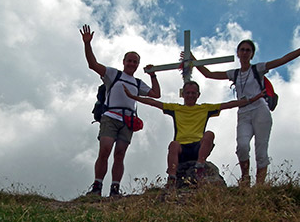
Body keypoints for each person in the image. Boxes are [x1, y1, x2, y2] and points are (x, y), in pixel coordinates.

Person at [192, 38, 300, 185]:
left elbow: (284, 59)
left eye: (248, 50)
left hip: (260, 110)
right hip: (243, 112)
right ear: (238, 53)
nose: (245, 53)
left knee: (261, 151)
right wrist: (191, 58)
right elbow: (208, 74)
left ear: (252, 54)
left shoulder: (258, 68)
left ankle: (260, 185)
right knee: (242, 147)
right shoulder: (235, 74)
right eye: (242, 50)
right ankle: (245, 178)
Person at [123, 80, 265, 188]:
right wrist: (133, 96)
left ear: (198, 95)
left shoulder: (205, 108)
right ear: (183, 94)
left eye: (193, 93)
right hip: (181, 149)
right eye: (188, 93)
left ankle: (200, 167)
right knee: (173, 144)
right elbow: (153, 102)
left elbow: (229, 104)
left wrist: (252, 99)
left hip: (198, 148)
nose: (190, 95)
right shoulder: (175, 108)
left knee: (209, 134)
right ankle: (172, 178)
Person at [80, 24, 161, 197]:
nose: (132, 64)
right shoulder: (113, 74)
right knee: (105, 150)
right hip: (110, 116)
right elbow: (92, 64)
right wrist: (87, 44)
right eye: (129, 60)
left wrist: (153, 75)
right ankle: (97, 187)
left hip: (128, 121)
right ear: (124, 62)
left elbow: (156, 94)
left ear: (138, 64)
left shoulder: (138, 83)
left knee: (120, 154)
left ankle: (114, 188)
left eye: (135, 62)